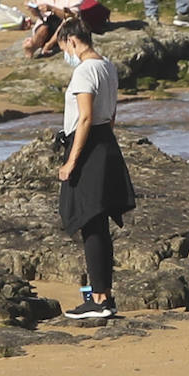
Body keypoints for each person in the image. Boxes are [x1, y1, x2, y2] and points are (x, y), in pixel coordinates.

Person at [54, 16, 135, 320]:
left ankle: (100, 299)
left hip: (89, 144)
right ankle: (103, 295)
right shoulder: (108, 66)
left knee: (91, 222)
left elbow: (85, 117)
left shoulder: (85, 71)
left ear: (72, 41)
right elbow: (111, 114)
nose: (67, 53)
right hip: (105, 141)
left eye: (64, 47)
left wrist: (71, 161)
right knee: (97, 223)